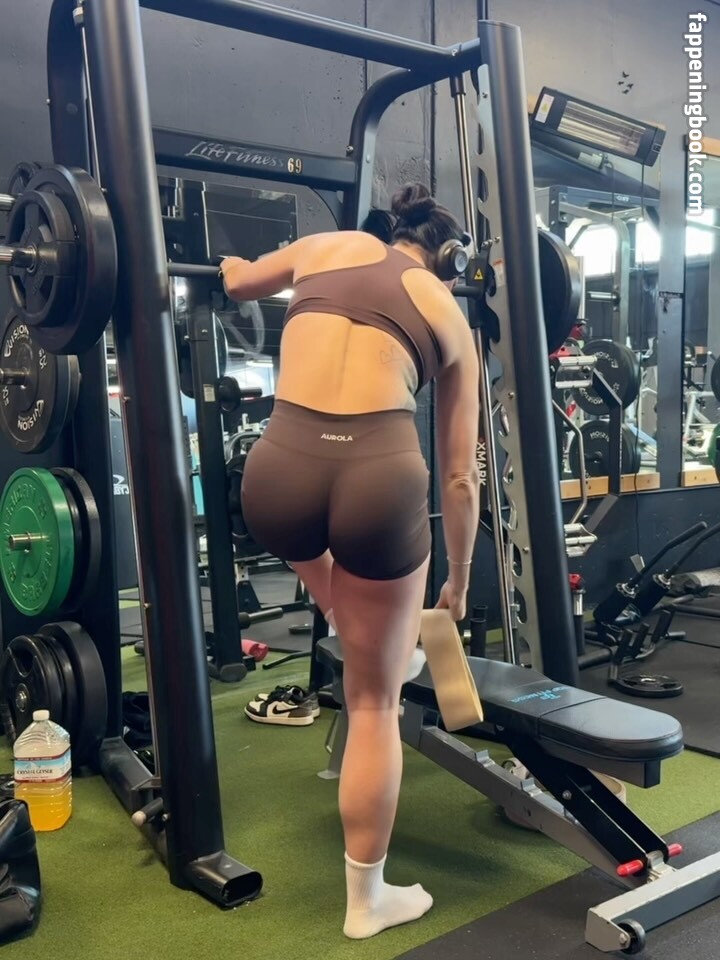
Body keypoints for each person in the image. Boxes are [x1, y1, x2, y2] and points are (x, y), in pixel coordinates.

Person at [220, 184, 479, 940]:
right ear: (447, 260)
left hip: (275, 479)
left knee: (314, 552)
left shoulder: (325, 246)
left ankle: (349, 613)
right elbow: (460, 477)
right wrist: (458, 580)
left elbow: (240, 281)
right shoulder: (447, 312)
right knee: (373, 703)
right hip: (378, 485)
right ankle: (366, 902)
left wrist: (231, 267)